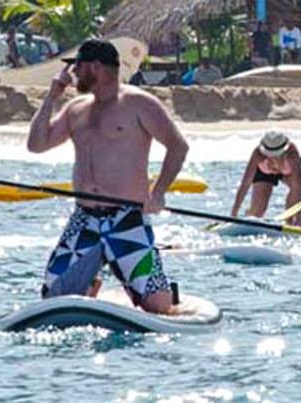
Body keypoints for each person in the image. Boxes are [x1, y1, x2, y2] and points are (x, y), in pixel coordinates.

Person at [25, 39, 190, 314]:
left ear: (95, 67)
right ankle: (91, 279)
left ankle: (156, 287)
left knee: (159, 307)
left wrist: (159, 190)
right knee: (52, 299)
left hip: (127, 218)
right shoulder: (75, 108)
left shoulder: (139, 103)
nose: (73, 73)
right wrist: (51, 96)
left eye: (77, 65)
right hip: (85, 218)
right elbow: (36, 145)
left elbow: (178, 146)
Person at [231, 131, 301, 227]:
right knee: (257, 212)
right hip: (264, 173)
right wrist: (233, 215)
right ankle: (249, 214)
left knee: (295, 192)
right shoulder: (257, 154)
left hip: (288, 173)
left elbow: (299, 188)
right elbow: (245, 184)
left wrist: (299, 218)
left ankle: (290, 221)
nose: (273, 157)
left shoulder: (292, 154)